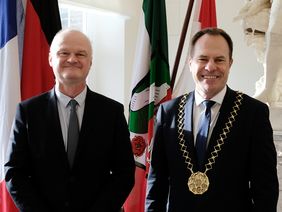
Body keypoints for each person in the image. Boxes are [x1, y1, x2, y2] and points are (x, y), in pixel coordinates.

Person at [145, 27, 279, 212]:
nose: (210, 67)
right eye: (202, 59)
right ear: (190, 63)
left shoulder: (253, 113)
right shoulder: (168, 112)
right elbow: (156, 183)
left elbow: (265, 187)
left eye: (219, 59)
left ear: (230, 63)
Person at [4, 28, 135, 212]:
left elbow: (125, 173)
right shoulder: (28, 112)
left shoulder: (112, 112)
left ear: (90, 62)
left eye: (81, 54)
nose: (72, 59)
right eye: (64, 52)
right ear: (51, 59)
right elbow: (14, 173)